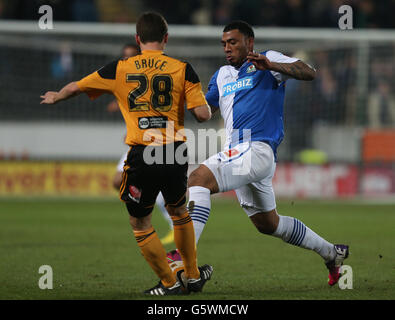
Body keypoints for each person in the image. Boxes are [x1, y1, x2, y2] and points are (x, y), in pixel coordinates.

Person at [40, 12, 214, 296]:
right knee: (180, 212)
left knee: (140, 221)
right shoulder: (183, 68)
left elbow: (77, 87)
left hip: (143, 153)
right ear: (166, 39)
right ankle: (192, 276)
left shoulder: (119, 68)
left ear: (137, 39)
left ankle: (169, 283)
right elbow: (203, 115)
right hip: (174, 152)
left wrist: (57, 95)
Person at [171, 20, 349, 287]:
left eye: (233, 42)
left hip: (257, 149)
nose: (227, 48)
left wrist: (272, 66)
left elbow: (309, 72)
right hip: (239, 154)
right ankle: (331, 253)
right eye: (224, 44)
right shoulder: (221, 75)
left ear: (249, 42)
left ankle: (184, 260)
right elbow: (204, 112)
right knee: (269, 224)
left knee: (198, 179)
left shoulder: (268, 60)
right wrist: (182, 97)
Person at [109, 43, 175, 245]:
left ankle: (173, 220)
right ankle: (161, 209)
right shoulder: (127, 80)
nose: (127, 60)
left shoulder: (149, 78)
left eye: (131, 56)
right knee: (118, 181)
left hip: (156, 140)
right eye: (124, 57)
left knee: (128, 180)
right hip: (140, 140)